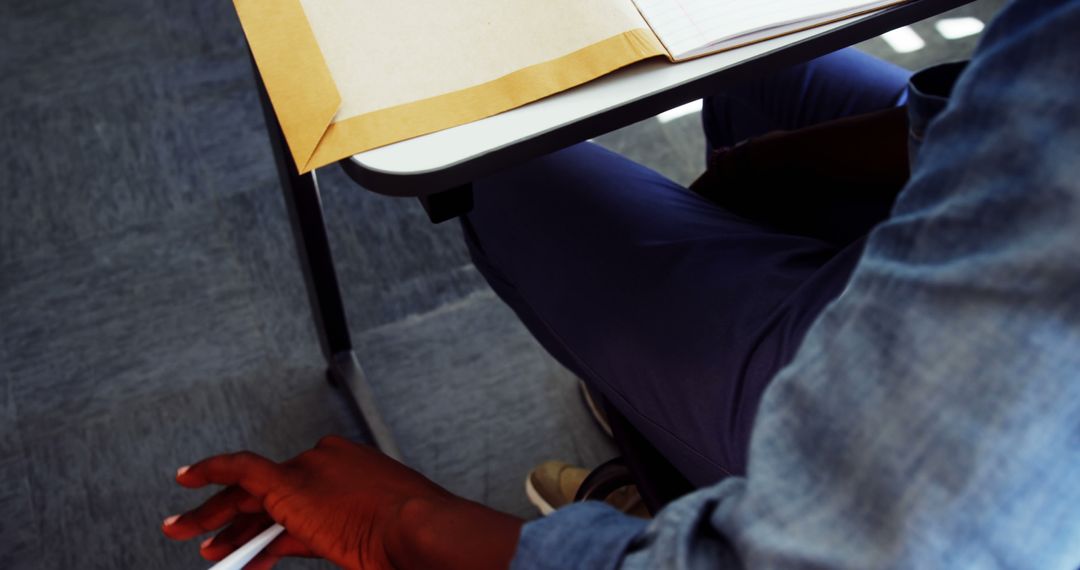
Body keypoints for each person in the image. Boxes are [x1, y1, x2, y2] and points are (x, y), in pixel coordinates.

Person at [161, 0, 1080, 568]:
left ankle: (701, 458)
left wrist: (404, 525)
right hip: (1013, 179)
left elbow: (880, 548)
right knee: (766, 68)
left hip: (973, 430)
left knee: (505, 169)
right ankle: (684, 416)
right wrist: (786, 156)